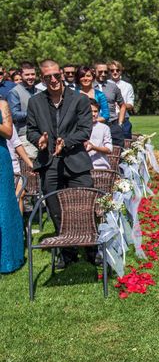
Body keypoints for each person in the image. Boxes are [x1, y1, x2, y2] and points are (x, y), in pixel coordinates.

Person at [26, 59, 94, 269]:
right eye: (48, 77)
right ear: (42, 78)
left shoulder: (79, 99)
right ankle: (67, 251)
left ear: (62, 74)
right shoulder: (35, 102)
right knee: (55, 208)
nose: (53, 80)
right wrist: (39, 140)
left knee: (84, 205)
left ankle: (92, 249)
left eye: (56, 75)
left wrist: (66, 143)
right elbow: (30, 130)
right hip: (49, 163)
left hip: (76, 159)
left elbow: (85, 129)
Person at [0, 98, 24, 273]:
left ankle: (8, 258)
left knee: (4, 206)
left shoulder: (2, 104)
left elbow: (8, 132)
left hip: (0, 159)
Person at [8, 62, 39, 159]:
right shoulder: (14, 92)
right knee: (30, 168)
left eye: (33, 74)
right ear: (21, 75)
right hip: (25, 135)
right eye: (27, 75)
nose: (31, 77)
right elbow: (14, 115)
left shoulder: (40, 92)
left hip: (42, 134)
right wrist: (34, 113)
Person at [93, 62, 126, 147]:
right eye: (100, 72)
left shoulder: (113, 87)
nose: (103, 74)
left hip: (112, 125)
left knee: (118, 153)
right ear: (94, 71)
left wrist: (120, 123)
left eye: (105, 72)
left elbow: (122, 105)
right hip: (94, 126)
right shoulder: (89, 86)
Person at [108, 60, 135, 139]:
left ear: (121, 71)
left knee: (126, 143)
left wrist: (122, 105)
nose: (115, 72)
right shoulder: (104, 85)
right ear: (109, 72)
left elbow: (131, 104)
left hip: (124, 119)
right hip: (109, 119)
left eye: (117, 70)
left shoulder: (127, 86)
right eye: (112, 70)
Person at [86, 99, 113, 170]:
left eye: (95, 111)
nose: (93, 114)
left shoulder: (104, 128)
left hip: (100, 167)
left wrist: (93, 147)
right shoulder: (77, 127)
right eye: (90, 111)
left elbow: (109, 149)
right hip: (82, 167)